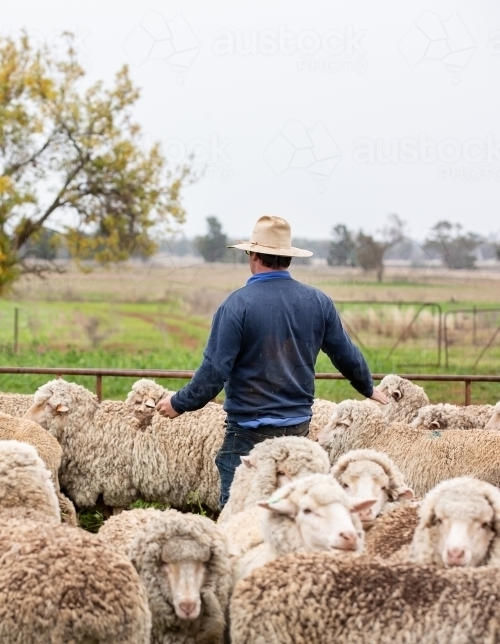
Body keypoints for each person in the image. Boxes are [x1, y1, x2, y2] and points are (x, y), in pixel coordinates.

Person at [156, 215, 388, 509]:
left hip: (249, 435)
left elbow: (214, 373)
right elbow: (345, 353)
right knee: (298, 513)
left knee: (240, 515)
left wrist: (178, 403)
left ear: (252, 256)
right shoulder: (318, 302)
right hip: (299, 433)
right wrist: (366, 386)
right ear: (287, 258)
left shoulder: (236, 305)